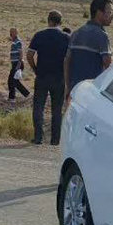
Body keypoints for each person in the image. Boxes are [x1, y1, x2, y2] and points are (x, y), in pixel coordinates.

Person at [27, 10, 70, 145]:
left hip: (42, 76)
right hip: (59, 78)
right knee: (57, 110)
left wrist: (35, 69)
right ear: (60, 22)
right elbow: (69, 59)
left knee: (38, 107)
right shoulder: (67, 38)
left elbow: (29, 55)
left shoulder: (39, 35)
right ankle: (55, 140)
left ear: (48, 20)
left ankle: (38, 137)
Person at [65, 0, 113, 100]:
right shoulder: (102, 36)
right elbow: (108, 65)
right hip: (91, 93)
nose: (112, 16)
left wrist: (68, 87)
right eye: (109, 12)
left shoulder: (76, 33)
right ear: (99, 13)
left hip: (75, 90)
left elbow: (66, 62)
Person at [7, 27, 30, 101]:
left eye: (12, 32)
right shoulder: (14, 41)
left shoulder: (18, 41)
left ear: (16, 33)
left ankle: (13, 98)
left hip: (18, 63)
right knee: (13, 81)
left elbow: (21, 53)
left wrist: (18, 65)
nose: (11, 34)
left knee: (12, 81)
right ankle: (25, 95)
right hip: (15, 64)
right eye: (10, 32)